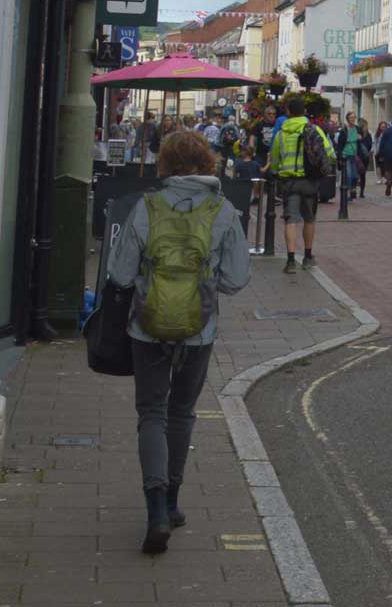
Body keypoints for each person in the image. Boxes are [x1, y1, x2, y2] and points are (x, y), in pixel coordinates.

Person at [102, 128, 250, 556]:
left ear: (164, 164)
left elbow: (120, 274)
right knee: (182, 411)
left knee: (152, 412)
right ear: (207, 161)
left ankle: (155, 513)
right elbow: (237, 279)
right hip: (197, 330)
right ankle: (173, 502)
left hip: (145, 328)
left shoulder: (147, 207)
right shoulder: (223, 210)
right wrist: (204, 281)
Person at [266, 97, 334, 273]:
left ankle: (290, 261)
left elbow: (274, 161)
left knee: (290, 220)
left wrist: (275, 171)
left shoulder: (281, 133)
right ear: (303, 111)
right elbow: (330, 153)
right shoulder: (313, 129)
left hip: (289, 182)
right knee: (309, 219)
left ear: (288, 112)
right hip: (310, 181)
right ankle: (308, 257)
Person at [375, 115, 392, 201]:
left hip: (388, 153)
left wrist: (381, 154)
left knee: (388, 170)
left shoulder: (387, 131)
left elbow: (382, 143)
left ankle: (389, 183)